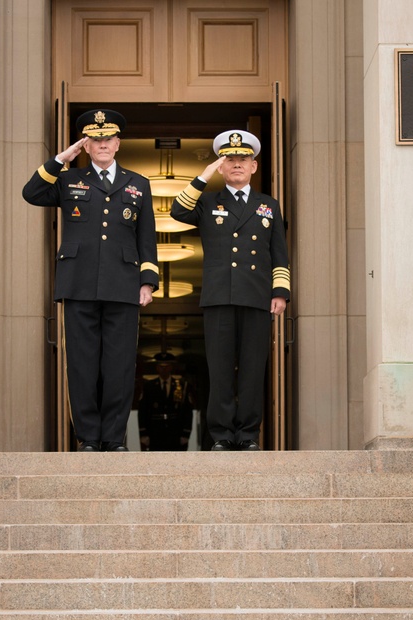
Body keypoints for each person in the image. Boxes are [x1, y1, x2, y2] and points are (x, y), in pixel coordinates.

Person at [22, 109, 159, 451]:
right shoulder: (68, 180)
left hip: (124, 284)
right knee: (82, 365)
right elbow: (32, 193)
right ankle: (88, 438)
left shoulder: (138, 183)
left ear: (117, 143)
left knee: (120, 365)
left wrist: (147, 281)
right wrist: (61, 159)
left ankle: (113, 438)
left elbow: (147, 238)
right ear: (86, 145)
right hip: (79, 282)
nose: (102, 144)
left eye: (107, 139)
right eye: (94, 139)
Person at [171, 130, 291, 450]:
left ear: (254, 166)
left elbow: (279, 252)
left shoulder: (268, 205)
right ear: (222, 167)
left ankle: (248, 434)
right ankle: (222, 434)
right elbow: (177, 212)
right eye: (230, 160)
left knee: (252, 369)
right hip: (219, 297)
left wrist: (279, 292)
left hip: (256, 296)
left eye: (243, 159)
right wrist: (203, 176)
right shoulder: (209, 201)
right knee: (221, 369)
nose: (237, 164)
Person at [138, 352, 192, 451]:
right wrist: (143, 433)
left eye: (167, 366)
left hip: (175, 432)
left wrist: (186, 433)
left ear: (171, 367)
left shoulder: (180, 385)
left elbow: (187, 411)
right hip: (155, 433)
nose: (164, 369)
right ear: (157, 367)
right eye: (161, 366)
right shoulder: (149, 386)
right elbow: (142, 411)